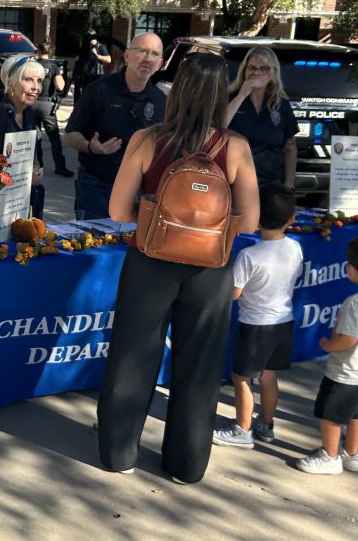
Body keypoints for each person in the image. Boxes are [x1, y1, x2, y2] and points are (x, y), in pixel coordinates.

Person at [97, 53, 260, 483]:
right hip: (210, 271)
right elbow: (252, 220)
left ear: (179, 89)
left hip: (149, 263)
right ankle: (186, 465)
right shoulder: (236, 147)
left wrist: (160, 220)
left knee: (132, 358)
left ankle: (118, 454)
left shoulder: (148, 139)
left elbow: (118, 209)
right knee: (200, 367)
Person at [297, 235, 358, 473]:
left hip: (346, 373)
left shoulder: (355, 302)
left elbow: (347, 340)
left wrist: (326, 344)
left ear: (351, 269)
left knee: (330, 416)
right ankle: (351, 455)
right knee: (356, 415)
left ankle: (329, 457)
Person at [212, 183, 303, 449]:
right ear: (291, 219)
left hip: (255, 326)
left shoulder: (249, 255)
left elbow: (234, 293)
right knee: (269, 376)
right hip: (283, 323)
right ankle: (266, 424)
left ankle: (242, 429)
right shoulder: (295, 248)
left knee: (241, 377)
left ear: (256, 215)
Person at [64, 32, 167, 219]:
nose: (148, 59)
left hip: (138, 191)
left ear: (160, 63)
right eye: (143, 51)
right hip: (96, 185)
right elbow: (71, 133)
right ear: (127, 56)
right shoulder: (98, 90)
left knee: (126, 247)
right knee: (93, 243)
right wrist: (90, 147)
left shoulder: (162, 102)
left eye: (154, 54)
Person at [225, 48, 299, 187]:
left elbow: (290, 147)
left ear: (272, 73)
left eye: (263, 69)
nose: (256, 73)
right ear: (244, 71)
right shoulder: (230, 98)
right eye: (252, 68)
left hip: (271, 182)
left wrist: (289, 186)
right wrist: (242, 95)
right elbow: (218, 127)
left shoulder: (280, 104)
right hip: (235, 182)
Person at [0, 54, 46, 199]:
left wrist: (37, 170)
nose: (36, 87)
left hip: (23, 201)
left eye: (39, 81)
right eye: (28, 79)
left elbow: (35, 157)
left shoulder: (29, 114)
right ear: (10, 84)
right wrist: (25, 179)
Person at [32, 43, 74, 177]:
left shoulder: (32, 66)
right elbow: (60, 86)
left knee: (35, 136)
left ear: (38, 51)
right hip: (46, 105)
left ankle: (38, 165)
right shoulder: (53, 66)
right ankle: (60, 167)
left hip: (31, 103)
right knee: (54, 137)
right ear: (49, 52)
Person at [72, 29, 110, 103]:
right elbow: (79, 63)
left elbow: (108, 59)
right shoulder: (84, 48)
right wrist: (74, 80)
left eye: (91, 37)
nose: (89, 40)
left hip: (95, 76)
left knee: (94, 99)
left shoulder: (100, 47)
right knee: (81, 100)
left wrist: (97, 56)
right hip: (84, 77)